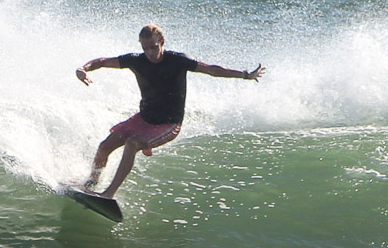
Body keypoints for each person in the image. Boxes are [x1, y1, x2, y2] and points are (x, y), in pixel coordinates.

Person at [75, 24, 264, 198]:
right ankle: (90, 186)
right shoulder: (136, 61)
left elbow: (212, 70)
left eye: (153, 47)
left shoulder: (178, 60)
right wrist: (83, 69)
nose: (150, 52)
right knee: (104, 147)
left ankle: (108, 194)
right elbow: (102, 61)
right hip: (143, 118)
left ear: (162, 43)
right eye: (145, 48)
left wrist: (246, 75)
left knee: (132, 144)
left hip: (168, 123)